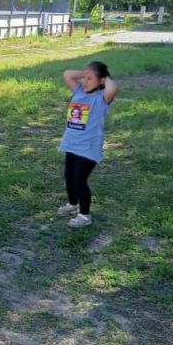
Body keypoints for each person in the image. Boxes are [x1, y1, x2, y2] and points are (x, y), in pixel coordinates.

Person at [57, 61, 118, 227]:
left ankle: (84, 216)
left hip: (88, 148)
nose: (84, 81)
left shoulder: (102, 98)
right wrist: (87, 73)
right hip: (71, 144)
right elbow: (67, 74)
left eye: (90, 79)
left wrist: (104, 76)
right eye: (84, 77)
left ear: (101, 81)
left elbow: (113, 88)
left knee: (79, 181)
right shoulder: (78, 91)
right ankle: (72, 204)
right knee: (69, 178)